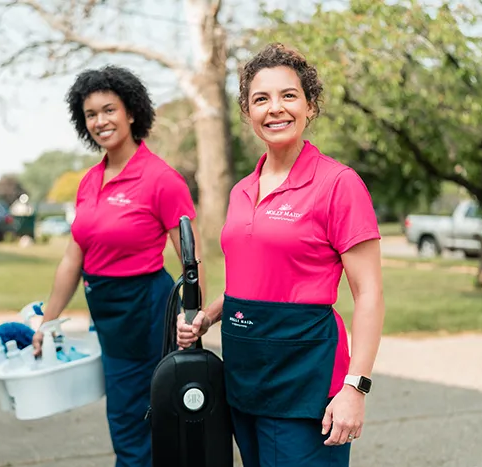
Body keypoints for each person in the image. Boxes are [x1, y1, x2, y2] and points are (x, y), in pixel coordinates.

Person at [177, 43, 385, 466]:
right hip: (244, 374)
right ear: (247, 113)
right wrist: (210, 315)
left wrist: (355, 388)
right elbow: (251, 280)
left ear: (310, 106)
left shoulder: (338, 184)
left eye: (289, 95)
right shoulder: (240, 191)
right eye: (261, 99)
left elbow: (369, 294)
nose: (276, 108)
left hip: (305, 375)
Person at [33, 65, 203, 467]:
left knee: (149, 418)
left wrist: (194, 321)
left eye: (109, 110)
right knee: (125, 418)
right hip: (108, 314)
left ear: (131, 113)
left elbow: (191, 260)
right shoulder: (89, 181)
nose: (100, 121)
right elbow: (74, 256)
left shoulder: (162, 179)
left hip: (148, 312)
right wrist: (47, 320)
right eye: (91, 114)